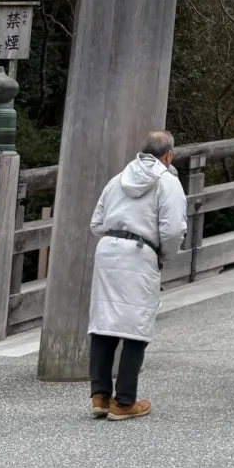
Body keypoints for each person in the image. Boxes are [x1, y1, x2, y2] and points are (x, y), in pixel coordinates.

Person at [88, 131, 187, 421]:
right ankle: (125, 401)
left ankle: (99, 396)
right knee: (136, 326)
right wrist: (164, 256)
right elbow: (172, 229)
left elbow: (97, 222)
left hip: (108, 249)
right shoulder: (168, 182)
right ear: (169, 155)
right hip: (141, 251)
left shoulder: (118, 179)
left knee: (104, 322)